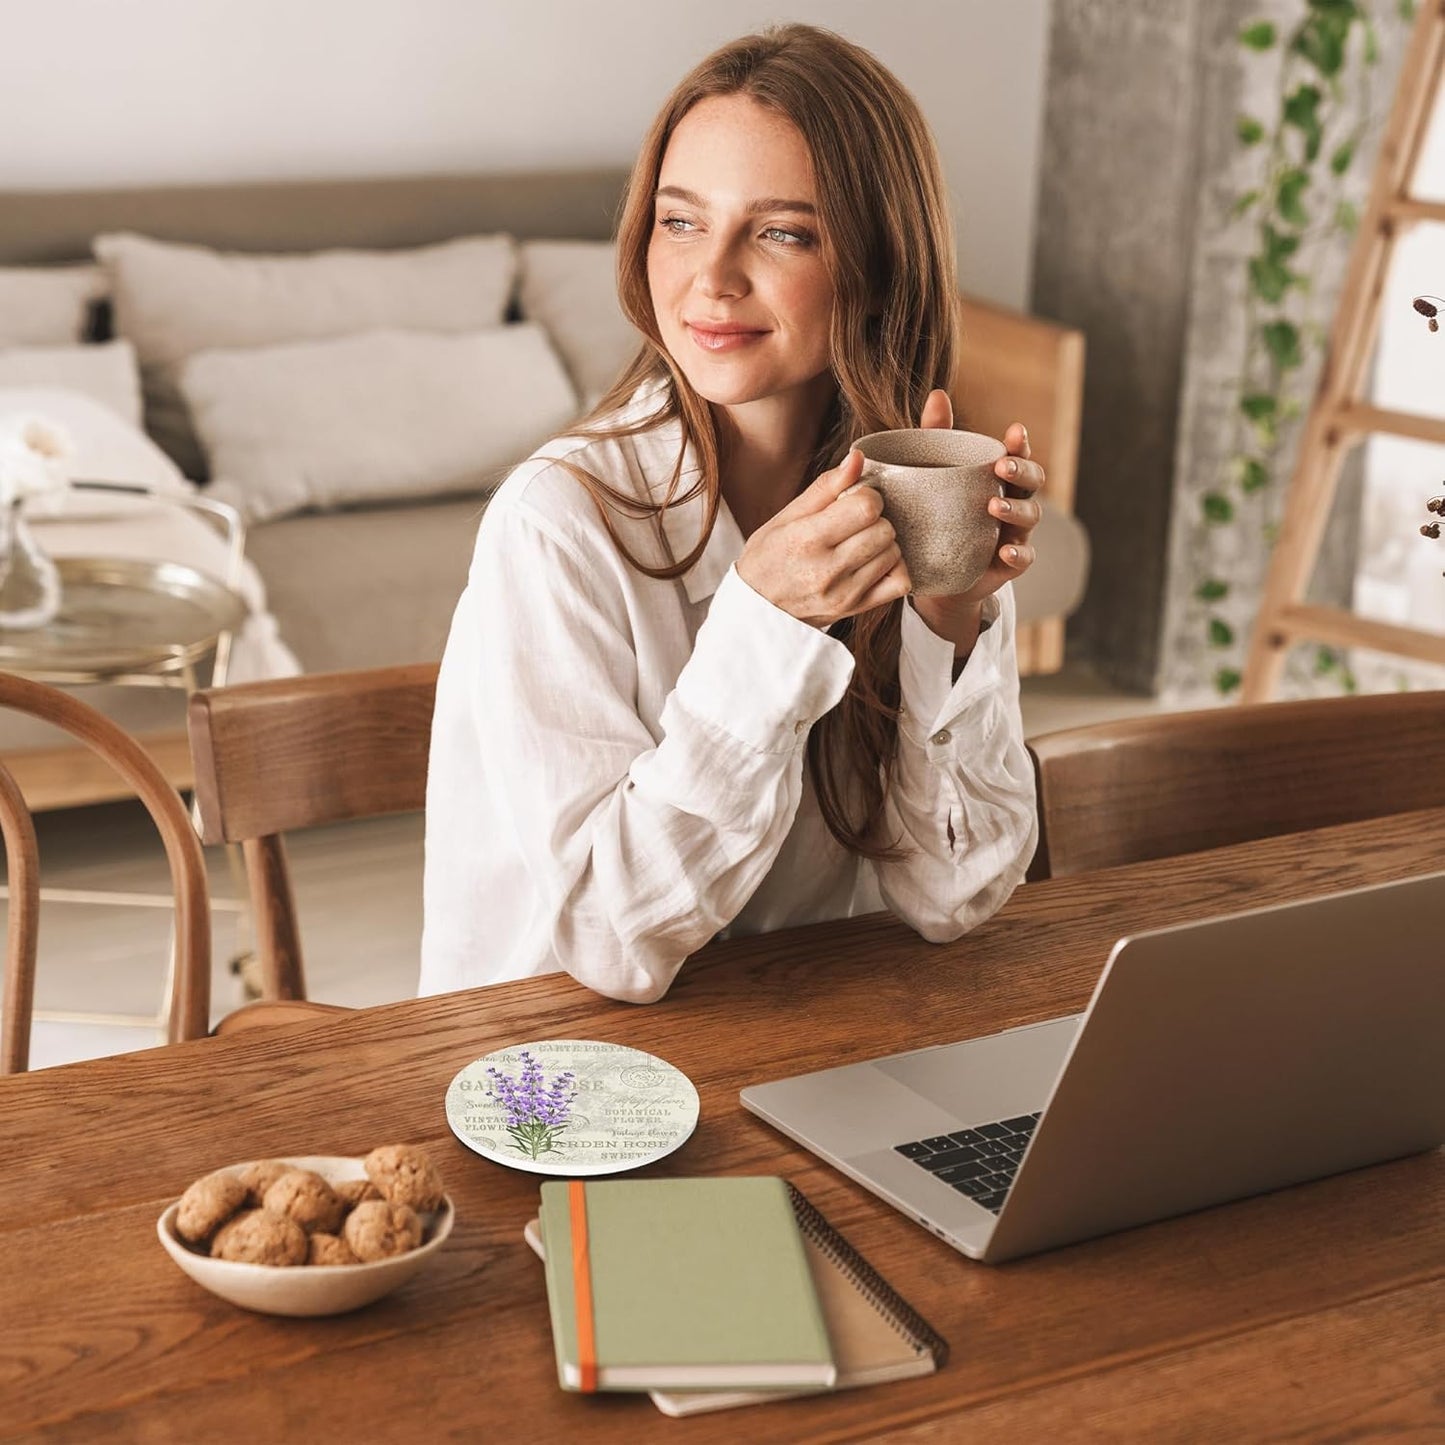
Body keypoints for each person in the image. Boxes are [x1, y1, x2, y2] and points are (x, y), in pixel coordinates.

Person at [420, 23, 1044, 1003]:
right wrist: (766, 625)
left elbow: (952, 897)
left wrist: (947, 618)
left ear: (876, 263)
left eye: (780, 231)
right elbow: (610, 941)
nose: (710, 276)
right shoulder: (554, 522)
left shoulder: (886, 505)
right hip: (554, 1084)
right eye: (680, 221)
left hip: (795, 1050)